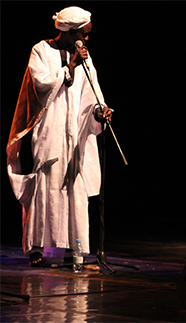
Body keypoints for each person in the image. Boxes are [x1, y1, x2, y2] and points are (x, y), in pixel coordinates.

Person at [6, 6, 113, 266]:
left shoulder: (86, 59)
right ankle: (35, 248)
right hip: (50, 131)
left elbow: (91, 94)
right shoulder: (41, 51)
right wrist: (70, 66)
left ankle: (75, 249)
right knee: (45, 188)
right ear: (70, 32)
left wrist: (100, 111)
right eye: (84, 35)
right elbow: (40, 85)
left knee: (73, 190)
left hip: (74, 135)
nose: (87, 40)